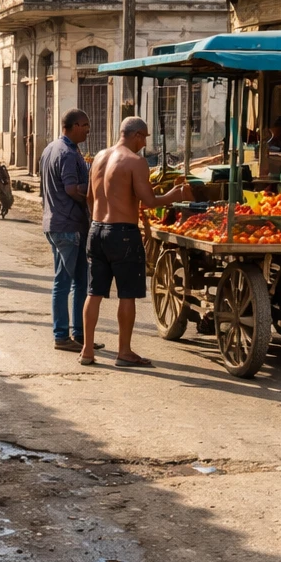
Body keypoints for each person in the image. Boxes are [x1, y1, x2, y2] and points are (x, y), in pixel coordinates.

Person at [80, 117, 192, 368]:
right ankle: (124, 352)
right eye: (145, 137)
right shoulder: (135, 162)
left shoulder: (98, 157)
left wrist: (98, 223)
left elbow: (89, 197)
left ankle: (87, 350)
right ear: (137, 135)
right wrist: (174, 195)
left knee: (94, 293)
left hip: (96, 230)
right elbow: (150, 200)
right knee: (127, 295)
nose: (144, 143)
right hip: (122, 234)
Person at [40, 109, 94, 353]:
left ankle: (80, 334)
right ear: (74, 126)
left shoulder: (51, 149)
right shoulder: (68, 153)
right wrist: (91, 194)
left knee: (80, 281)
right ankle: (61, 335)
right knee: (63, 282)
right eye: (85, 126)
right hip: (67, 226)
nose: (87, 130)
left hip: (57, 223)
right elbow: (72, 189)